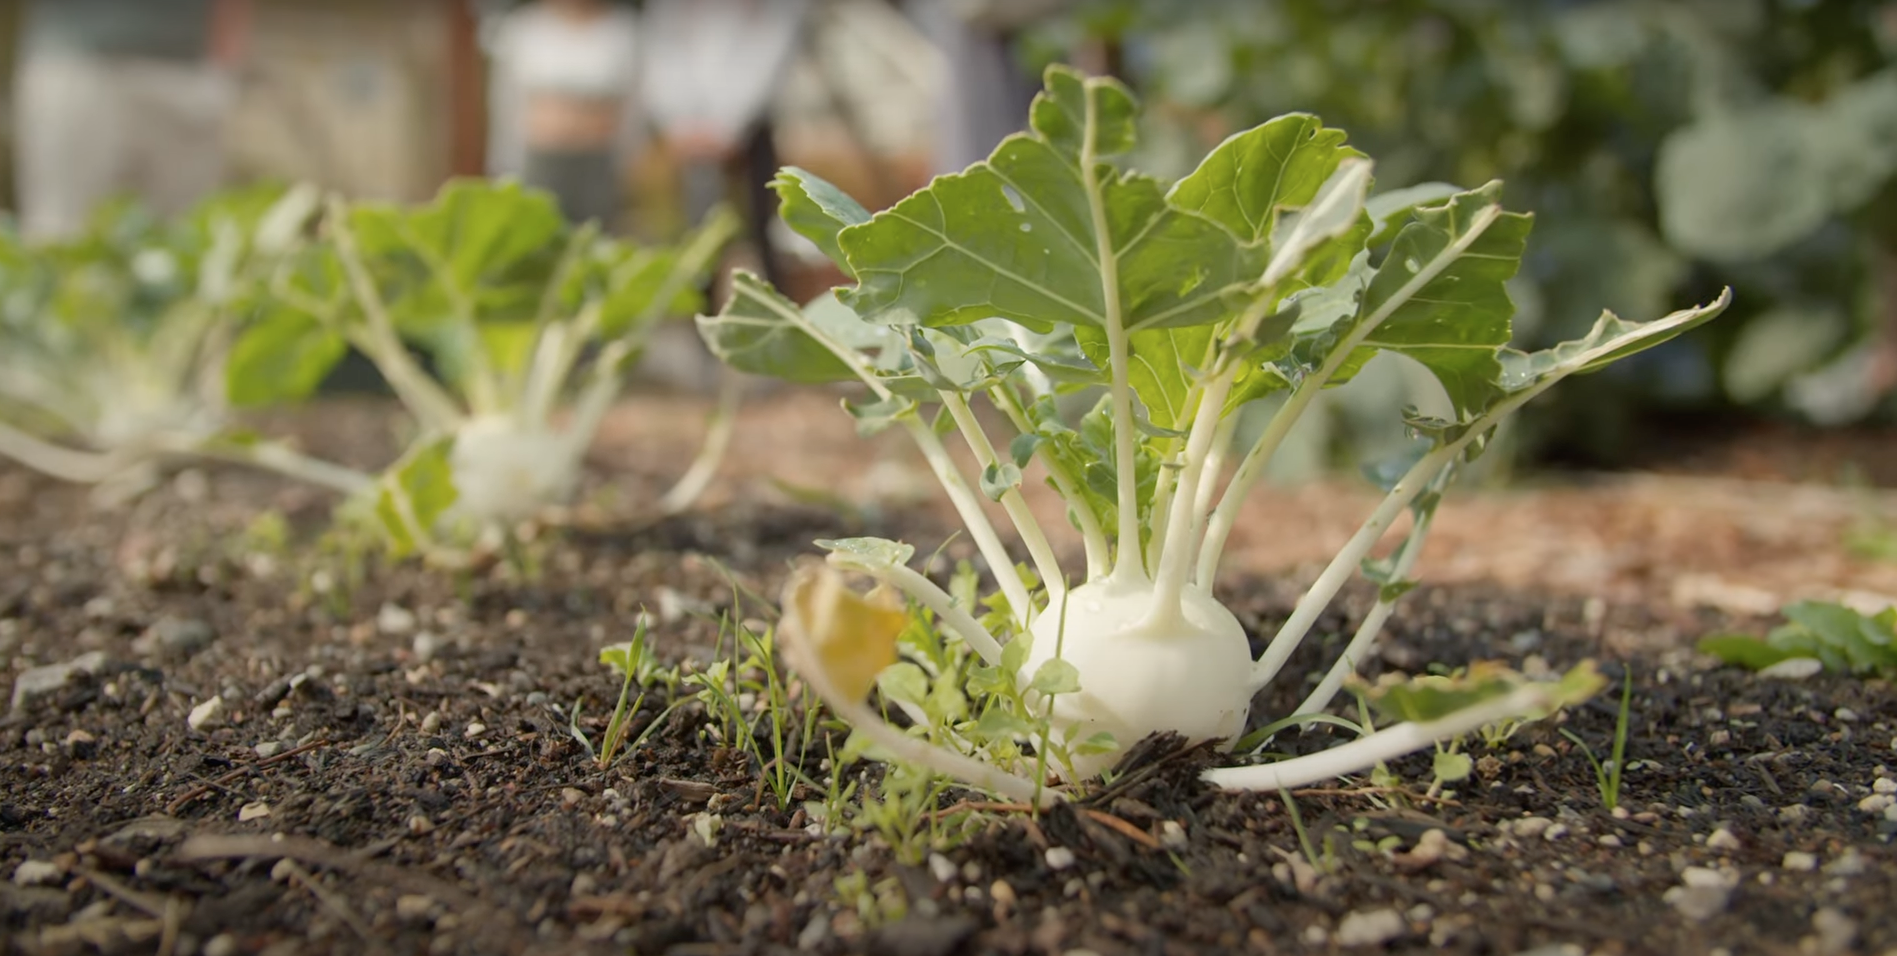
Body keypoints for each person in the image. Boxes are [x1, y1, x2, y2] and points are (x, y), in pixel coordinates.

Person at [12, 0, 249, 241]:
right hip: (80, 62)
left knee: (184, 235)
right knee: (63, 235)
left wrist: (223, 66)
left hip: (187, 73)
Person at [639, 0, 812, 287]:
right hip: (687, 133)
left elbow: (771, 50)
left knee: (763, 233)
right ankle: (698, 318)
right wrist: (678, 123)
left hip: (747, 129)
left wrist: (728, 126)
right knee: (695, 242)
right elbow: (661, 48)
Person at [486, 0, 643, 229]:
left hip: (597, 165)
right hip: (541, 162)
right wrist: (503, 168)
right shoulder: (522, 29)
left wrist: (630, 165)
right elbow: (506, 107)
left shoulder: (623, 30)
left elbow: (634, 110)